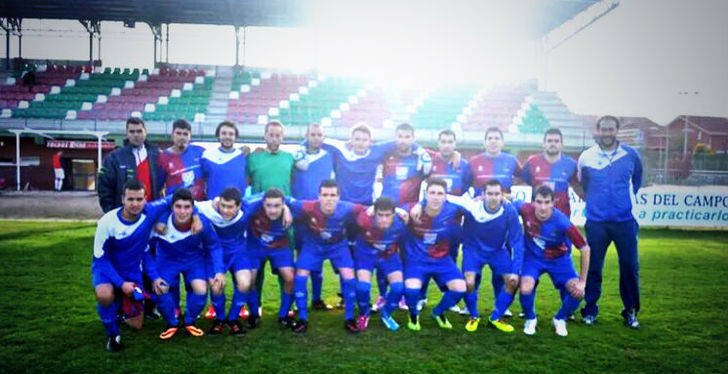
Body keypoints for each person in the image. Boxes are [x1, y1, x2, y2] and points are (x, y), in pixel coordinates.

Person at [91, 180, 173, 352]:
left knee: (137, 325)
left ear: (145, 200)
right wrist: (121, 284)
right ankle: (113, 334)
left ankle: (119, 306)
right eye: (130, 199)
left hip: (132, 271)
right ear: (122, 199)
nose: (135, 204)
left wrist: (155, 278)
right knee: (105, 295)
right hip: (107, 269)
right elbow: (100, 259)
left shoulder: (149, 213)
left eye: (139, 199)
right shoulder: (107, 222)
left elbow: (175, 199)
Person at [578, 115, 643, 328]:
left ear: (617, 130)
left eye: (611, 129)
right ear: (598, 130)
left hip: (625, 221)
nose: (607, 133)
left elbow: (637, 181)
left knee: (629, 266)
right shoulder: (586, 156)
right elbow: (583, 184)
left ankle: (630, 311)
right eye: (603, 129)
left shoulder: (631, 155)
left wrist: (622, 202)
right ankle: (590, 310)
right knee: (594, 267)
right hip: (596, 222)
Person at [288, 179, 368, 333]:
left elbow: (371, 209)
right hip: (313, 246)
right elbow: (282, 198)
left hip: (338, 246)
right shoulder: (308, 206)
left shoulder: (347, 207)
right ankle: (303, 318)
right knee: (300, 278)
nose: (329, 198)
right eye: (325, 195)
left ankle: (349, 318)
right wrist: (285, 209)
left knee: (349, 278)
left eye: (332, 195)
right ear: (319, 196)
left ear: (339, 197)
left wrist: (399, 211)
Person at [445, 179, 524, 333]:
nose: (493, 197)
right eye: (490, 194)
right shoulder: (472, 206)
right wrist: (419, 206)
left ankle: (496, 317)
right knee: (468, 282)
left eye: (497, 194)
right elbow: (444, 197)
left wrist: (516, 270)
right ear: (483, 195)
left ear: (502, 195)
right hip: (473, 250)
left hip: (498, 251)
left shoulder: (509, 210)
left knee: (512, 281)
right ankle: (474, 316)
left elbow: (517, 242)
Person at [146, 188, 225, 340]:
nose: (183, 211)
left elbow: (214, 246)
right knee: (161, 288)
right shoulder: (160, 225)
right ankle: (172, 323)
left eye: (187, 207)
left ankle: (190, 321)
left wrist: (219, 271)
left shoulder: (201, 222)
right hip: (167, 260)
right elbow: (147, 251)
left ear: (193, 208)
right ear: (172, 207)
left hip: (193, 259)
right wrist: (154, 276)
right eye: (178, 207)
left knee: (201, 289)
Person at [514, 185, 591, 336]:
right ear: (533, 202)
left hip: (559, 260)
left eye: (547, 202)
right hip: (533, 259)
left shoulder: (562, 221)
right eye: (539, 202)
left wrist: (582, 281)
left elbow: (585, 249)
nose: (543, 207)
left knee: (578, 292)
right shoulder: (525, 209)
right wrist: (483, 198)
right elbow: (505, 201)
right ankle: (530, 318)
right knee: (525, 288)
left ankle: (560, 319)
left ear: (553, 203)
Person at [468, 126, 522, 317]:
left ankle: (500, 305)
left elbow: (524, 179)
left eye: (496, 138)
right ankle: (471, 305)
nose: (493, 141)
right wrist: (475, 198)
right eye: (489, 138)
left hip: (501, 221)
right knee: (475, 266)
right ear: (484, 142)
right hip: (479, 220)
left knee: (502, 262)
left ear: (502, 142)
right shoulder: (474, 162)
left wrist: (508, 197)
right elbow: (466, 184)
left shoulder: (512, 161)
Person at [417, 129, 471, 313]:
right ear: (438, 144)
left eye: (450, 142)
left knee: (450, 258)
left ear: (455, 144)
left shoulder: (463, 165)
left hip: (454, 222)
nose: (447, 145)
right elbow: (415, 146)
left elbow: (468, 189)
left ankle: (450, 297)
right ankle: (421, 297)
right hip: (430, 219)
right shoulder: (430, 160)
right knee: (425, 255)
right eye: (443, 141)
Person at [403, 178, 467, 331]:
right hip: (416, 260)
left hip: (442, 260)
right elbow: (391, 210)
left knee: (460, 288)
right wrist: (407, 209)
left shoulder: (453, 209)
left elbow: (476, 208)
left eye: (440, 193)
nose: (436, 196)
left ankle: (438, 312)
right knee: (411, 290)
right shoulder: (412, 209)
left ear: (446, 196)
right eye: (432, 192)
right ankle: (413, 314)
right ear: (425, 194)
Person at [292, 123, 336, 311]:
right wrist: (301, 147)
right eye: (312, 134)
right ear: (306, 135)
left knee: (317, 260)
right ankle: (295, 299)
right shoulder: (295, 155)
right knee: (299, 259)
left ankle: (316, 298)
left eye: (319, 134)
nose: (316, 137)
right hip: (299, 215)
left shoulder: (330, 154)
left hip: (320, 215)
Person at [353, 197, 408, 331]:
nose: (384, 219)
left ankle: (386, 313)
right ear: (374, 213)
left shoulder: (402, 222)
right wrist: (368, 209)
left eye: (388, 215)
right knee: (362, 287)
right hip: (365, 256)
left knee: (398, 288)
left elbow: (416, 206)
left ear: (394, 214)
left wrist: (401, 210)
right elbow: (355, 208)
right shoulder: (363, 219)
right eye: (380, 215)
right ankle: (364, 314)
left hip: (389, 256)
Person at [245, 188, 298, 328]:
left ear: (283, 203)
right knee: (249, 280)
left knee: (291, 279)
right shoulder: (251, 204)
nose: (273, 210)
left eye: (277, 206)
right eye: (269, 205)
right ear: (263, 203)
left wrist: (287, 208)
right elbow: (228, 202)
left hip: (280, 246)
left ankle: (284, 315)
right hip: (255, 246)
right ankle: (254, 314)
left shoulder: (291, 204)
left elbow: (310, 206)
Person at [98, 117, 161, 213]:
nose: (136, 135)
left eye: (139, 131)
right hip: (125, 216)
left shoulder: (157, 156)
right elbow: (104, 189)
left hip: (151, 214)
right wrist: (112, 213)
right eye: (132, 132)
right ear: (127, 134)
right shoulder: (114, 158)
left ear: (145, 132)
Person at [520, 128, 583, 217]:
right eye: (549, 141)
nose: (553, 144)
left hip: (561, 215)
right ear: (544, 144)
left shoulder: (571, 164)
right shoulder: (532, 162)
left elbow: (577, 186)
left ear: (562, 145)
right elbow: (519, 182)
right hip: (537, 215)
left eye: (556, 141)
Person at [157, 119, 206, 200]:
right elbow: (159, 187)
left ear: (190, 136)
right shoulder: (163, 157)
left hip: (199, 206)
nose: (182, 137)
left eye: (185, 134)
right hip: (176, 207)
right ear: (172, 135)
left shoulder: (200, 152)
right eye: (178, 133)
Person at [201, 121, 249, 200]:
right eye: (224, 133)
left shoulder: (243, 155)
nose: (227, 137)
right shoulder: (207, 156)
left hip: (236, 206)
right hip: (213, 206)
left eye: (231, 134)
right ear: (218, 136)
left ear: (236, 137)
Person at [247, 120, 294, 196]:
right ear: (265, 136)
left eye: (278, 136)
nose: (274, 139)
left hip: (283, 204)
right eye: (271, 135)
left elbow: (293, 181)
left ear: (282, 137)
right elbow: (246, 181)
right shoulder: (253, 157)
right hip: (258, 205)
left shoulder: (289, 158)